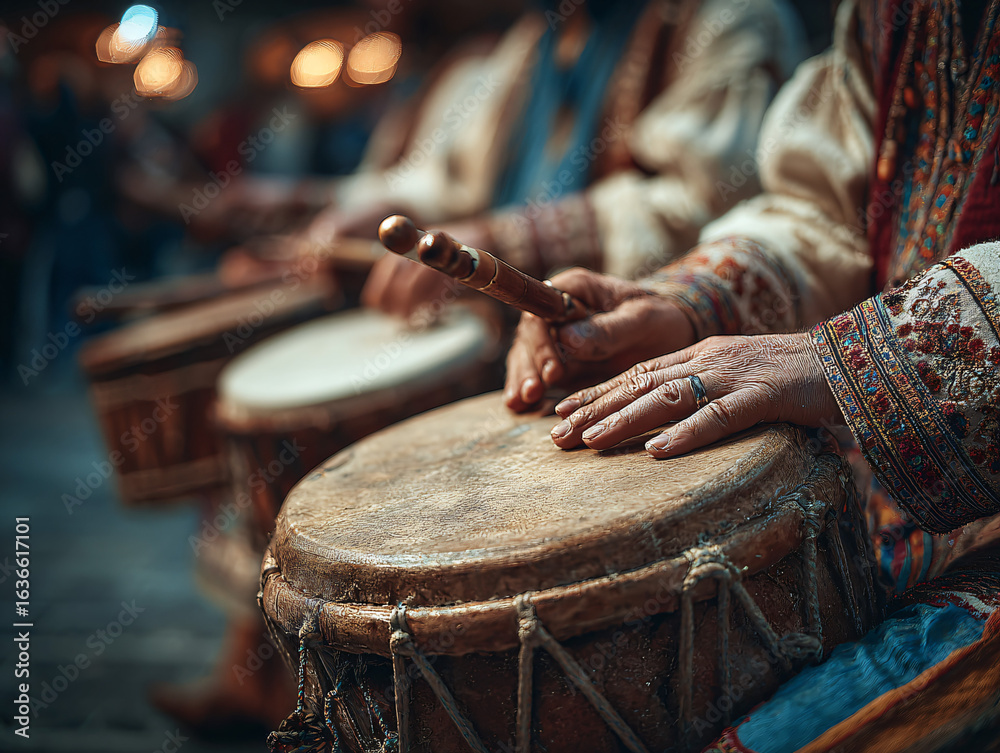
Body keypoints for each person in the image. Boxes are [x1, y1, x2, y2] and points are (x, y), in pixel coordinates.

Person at [503, 0, 1000, 747]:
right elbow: (823, 213)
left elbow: (700, 191)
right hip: (874, 486)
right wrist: (683, 306)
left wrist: (835, 362)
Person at [293, 0, 809, 315]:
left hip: (640, 344)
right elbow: (457, 183)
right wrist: (373, 212)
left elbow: (710, 206)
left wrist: (508, 239)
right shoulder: (532, 42)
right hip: (506, 335)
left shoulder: (729, 17)